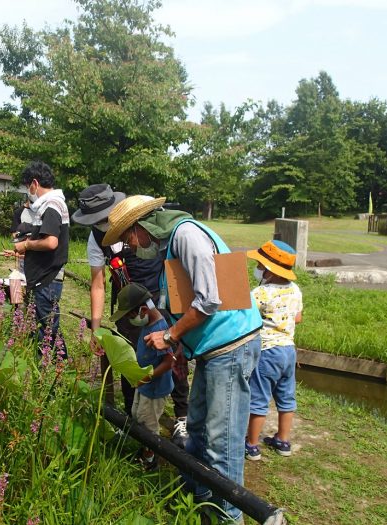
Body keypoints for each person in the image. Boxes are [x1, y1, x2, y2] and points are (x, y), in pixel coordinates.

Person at [102, 196, 262, 523]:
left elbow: (209, 300)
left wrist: (171, 335)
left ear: (141, 226)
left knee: (222, 441)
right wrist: (179, 347)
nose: (130, 246)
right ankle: (195, 497)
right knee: (198, 430)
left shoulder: (186, 235)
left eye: (128, 238)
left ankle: (226, 517)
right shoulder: (171, 245)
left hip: (230, 346)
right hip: (209, 350)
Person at [71, 185, 190, 447]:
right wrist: (96, 328)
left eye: (104, 218)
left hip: (163, 290)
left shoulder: (143, 209)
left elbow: (174, 249)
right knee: (130, 357)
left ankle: (182, 416)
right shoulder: (95, 238)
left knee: (174, 354)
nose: (102, 225)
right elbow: (98, 283)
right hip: (129, 301)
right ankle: (133, 420)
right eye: (96, 221)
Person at [244, 240, 303, 461]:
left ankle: (251, 444)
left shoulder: (259, 293)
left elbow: (247, 318)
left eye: (259, 263)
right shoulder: (295, 290)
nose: (257, 267)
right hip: (289, 350)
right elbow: (298, 318)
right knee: (286, 397)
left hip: (267, 352)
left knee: (258, 398)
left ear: (268, 269)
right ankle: (283, 440)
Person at [109, 282, 174, 471]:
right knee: (138, 415)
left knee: (149, 425)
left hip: (154, 389)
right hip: (144, 385)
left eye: (131, 316)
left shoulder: (161, 330)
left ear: (143, 310)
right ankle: (144, 448)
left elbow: (169, 361)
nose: (130, 321)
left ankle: (150, 457)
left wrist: (150, 375)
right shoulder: (148, 324)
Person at [14, 161, 69, 358]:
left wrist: (27, 245)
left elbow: (51, 242)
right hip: (43, 279)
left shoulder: (52, 205)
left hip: (48, 280)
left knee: (48, 332)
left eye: (28, 186)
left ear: (34, 184)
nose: (28, 190)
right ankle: (56, 368)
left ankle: (58, 370)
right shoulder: (48, 205)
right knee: (46, 329)